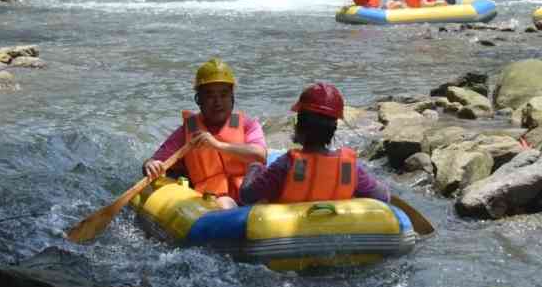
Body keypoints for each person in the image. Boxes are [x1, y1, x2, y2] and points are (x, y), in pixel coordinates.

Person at [143, 58, 267, 209]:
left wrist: (217, 145)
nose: (217, 102)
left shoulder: (248, 125)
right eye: (210, 95)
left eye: (223, 94)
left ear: (232, 97)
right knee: (226, 205)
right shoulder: (187, 132)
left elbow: (260, 154)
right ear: (198, 99)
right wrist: (151, 165)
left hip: (248, 194)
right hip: (214, 199)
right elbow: (156, 161)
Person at [239, 83, 390, 205]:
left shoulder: (286, 165)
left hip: (288, 237)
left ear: (299, 127)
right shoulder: (348, 168)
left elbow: (247, 196)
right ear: (333, 130)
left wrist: (255, 167)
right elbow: (383, 197)